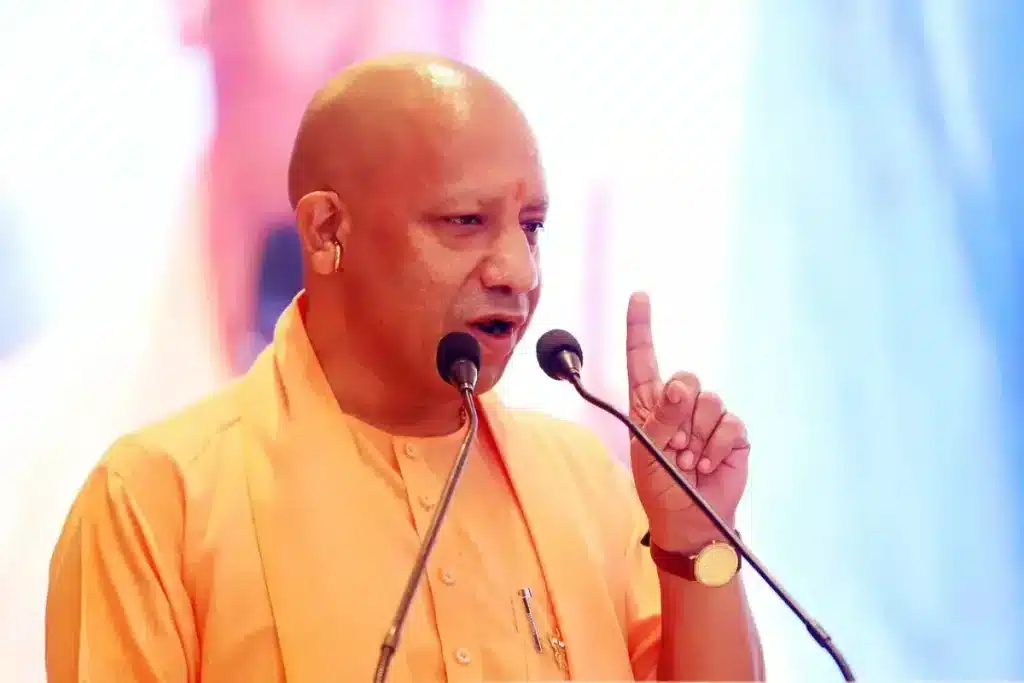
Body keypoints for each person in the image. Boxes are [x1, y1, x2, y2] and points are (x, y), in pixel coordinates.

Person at [45, 54, 764, 682]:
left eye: (531, 228)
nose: (518, 271)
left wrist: (693, 540)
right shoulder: (160, 498)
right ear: (328, 231)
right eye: (465, 222)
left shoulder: (584, 481)